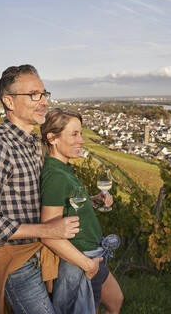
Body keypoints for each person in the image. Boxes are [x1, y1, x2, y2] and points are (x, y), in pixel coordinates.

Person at [0, 64, 86, 314]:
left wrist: (90, 200)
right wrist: (46, 229)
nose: (43, 101)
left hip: (44, 254)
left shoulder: (34, 143)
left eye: (44, 94)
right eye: (33, 95)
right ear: (9, 101)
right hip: (16, 262)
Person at [40, 108, 124, 314]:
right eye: (74, 134)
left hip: (93, 253)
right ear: (52, 138)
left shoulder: (64, 169)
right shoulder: (56, 176)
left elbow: (67, 207)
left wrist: (91, 201)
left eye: (81, 133)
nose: (82, 140)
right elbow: (48, 234)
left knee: (115, 301)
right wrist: (87, 265)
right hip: (80, 259)